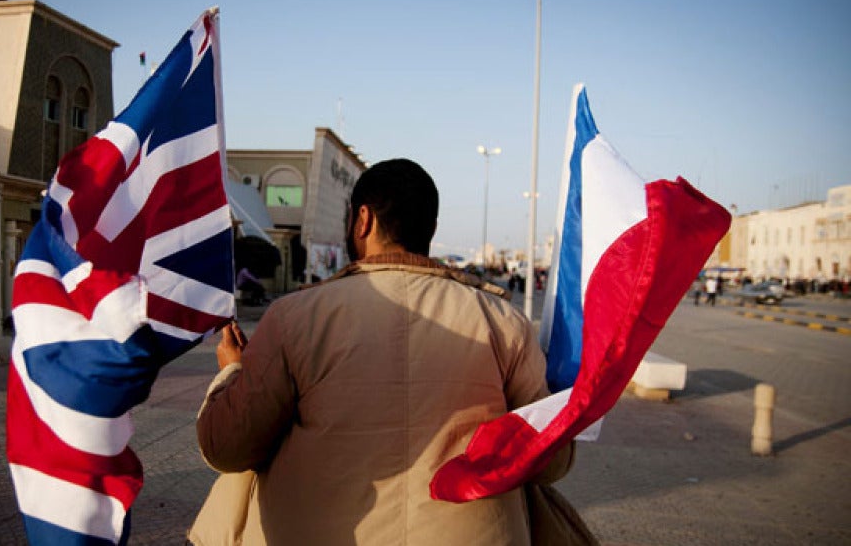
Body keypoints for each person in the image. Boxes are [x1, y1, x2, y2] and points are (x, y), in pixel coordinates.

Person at [189, 158, 574, 545]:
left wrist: (233, 373)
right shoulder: (503, 322)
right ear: (431, 229)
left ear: (363, 220)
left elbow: (228, 448)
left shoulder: (294, 318)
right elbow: (550, 459)